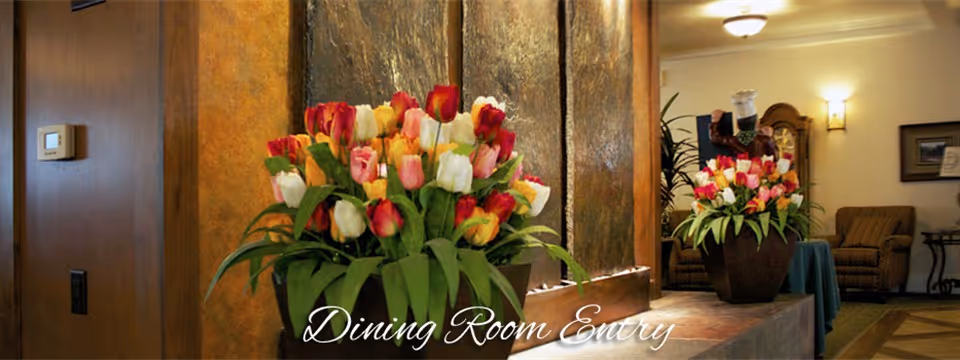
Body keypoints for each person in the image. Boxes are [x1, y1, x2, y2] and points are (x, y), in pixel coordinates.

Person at [709, 89, 778, 159]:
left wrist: (715, 121)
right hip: (761, 169)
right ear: (757, 124)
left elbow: (715, 138)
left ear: (738, 125)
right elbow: (775, 157)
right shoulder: (765, 139)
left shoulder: (733, 140)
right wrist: (771, 137)